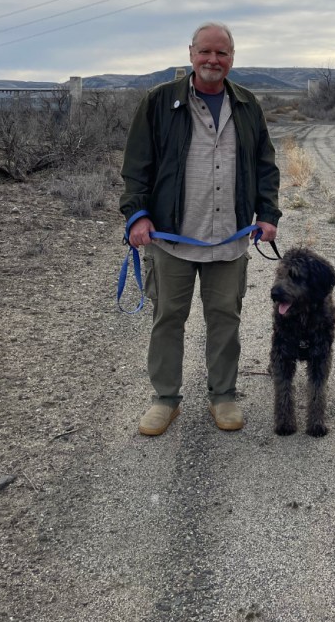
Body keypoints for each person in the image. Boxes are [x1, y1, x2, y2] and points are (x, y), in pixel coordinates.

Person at [120, 22, 281, 435]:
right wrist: (137, 215)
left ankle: (223, 396)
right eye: (205, 52)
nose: (213, 60)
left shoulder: (246, 105)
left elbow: (266, 166)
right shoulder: (158, 103)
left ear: (232, 57)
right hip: (172, 239)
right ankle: (165, 399)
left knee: (225, 318)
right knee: (168, 317)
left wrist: (268, 214)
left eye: (221, 54)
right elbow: (137, 166)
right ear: (191, 53)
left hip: (229, 239)